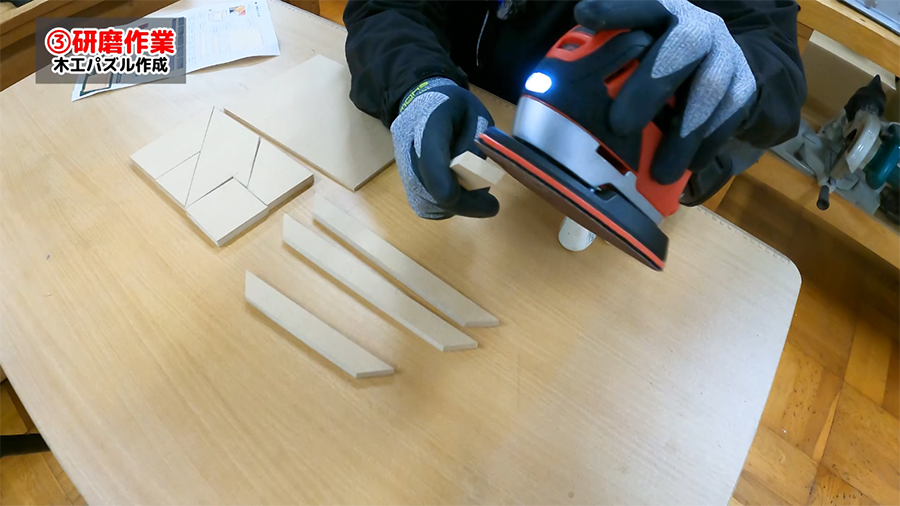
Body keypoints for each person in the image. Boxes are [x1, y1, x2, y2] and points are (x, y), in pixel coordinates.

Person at [343, 0, 806, 233]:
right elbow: (387, 7)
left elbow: (772, 56)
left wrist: (735, 69)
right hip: (466, 138)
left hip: (605, 203)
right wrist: (418, 84)